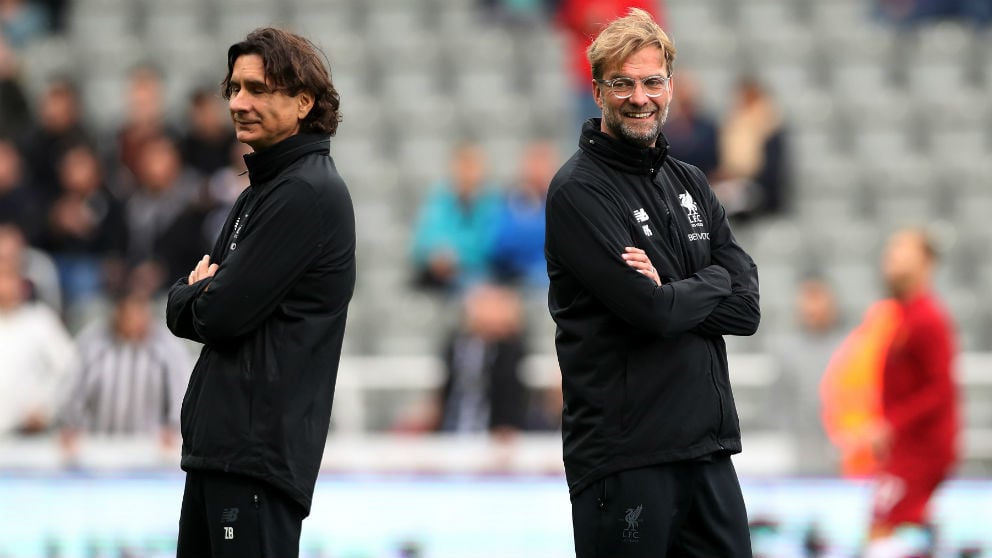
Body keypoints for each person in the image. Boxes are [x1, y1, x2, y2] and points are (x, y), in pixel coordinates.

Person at [544, 9, 759, 557]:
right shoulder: (578, 191)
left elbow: (747, 308)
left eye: (652, 82)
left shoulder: (689, 180)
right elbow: (652, 313)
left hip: (708, 453)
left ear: (670, 87)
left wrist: (679, 285)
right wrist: (710, 279)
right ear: (597, 91)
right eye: (623, 83)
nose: (640, 97)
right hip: (625, 457)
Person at [166, 27, 355, 558]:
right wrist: (193, 296)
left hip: (254, 459)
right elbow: (197, 302)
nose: (238, 102)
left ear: (303, 102)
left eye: (257, 89)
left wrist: (193, 294)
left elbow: (220, 312)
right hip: (225, 454)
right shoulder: (265, 190)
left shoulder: (305, 193)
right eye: (234, 88)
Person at [864, 229, 959, 556]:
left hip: (920, 450)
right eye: (890, 251)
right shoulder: (900, 316)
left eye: (902, 252)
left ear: (926, 263)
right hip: (904, 449)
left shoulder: (928, 319)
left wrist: (892, 423)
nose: (891, 260)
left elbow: (940, 389)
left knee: (886, 532)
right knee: (891, 529)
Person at [59, 289, 190, 454]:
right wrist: (71, 425)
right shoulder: (93, 344)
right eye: (129, 312)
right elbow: (74, 389)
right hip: (98, 445)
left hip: (150, 448)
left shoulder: (168, 348)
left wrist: (174, 428)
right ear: (117, 313)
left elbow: (180, 393)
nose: (134, 319)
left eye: (140, 311)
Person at [771, 275, 845, 475]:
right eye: (807, 299)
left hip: (842, 448)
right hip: (799, 449)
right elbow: (778, 403)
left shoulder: (849, 347)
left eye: (818, 298)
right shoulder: (785, 351)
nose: (812, 308)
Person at [436, 284, 529, 435]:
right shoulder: (457, 345)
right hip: (452, 430)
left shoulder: (512, 349)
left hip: (497, 434)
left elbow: (511, 394)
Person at [409, 141, 501, 292]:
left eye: (472, 166)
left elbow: (492, 244)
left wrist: (458, 256)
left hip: (479, 274)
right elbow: (422, 241)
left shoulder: (493, 202)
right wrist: (436, 255)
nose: (467, 173)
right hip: (439, 276)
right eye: (463, 165)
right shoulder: (438, 199)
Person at [0, 261, 76, 435]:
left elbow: (69, 370)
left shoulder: (40, 320)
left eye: (9, 279)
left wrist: (46, 409)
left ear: (21, 285)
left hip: (29, 434)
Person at [711, 78, 788, 220]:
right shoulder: (732, 127)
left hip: (761, 191)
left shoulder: (771, 130)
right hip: (735, 185)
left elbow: (772, 171)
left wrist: (743, 176)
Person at [489, 139, 557, 288]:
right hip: (512, 276)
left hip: (547, 277)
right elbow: (501, 244)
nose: (538, 171)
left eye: (543, 164)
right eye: (534, 164)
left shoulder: (561, 203)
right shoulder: (509, 200)